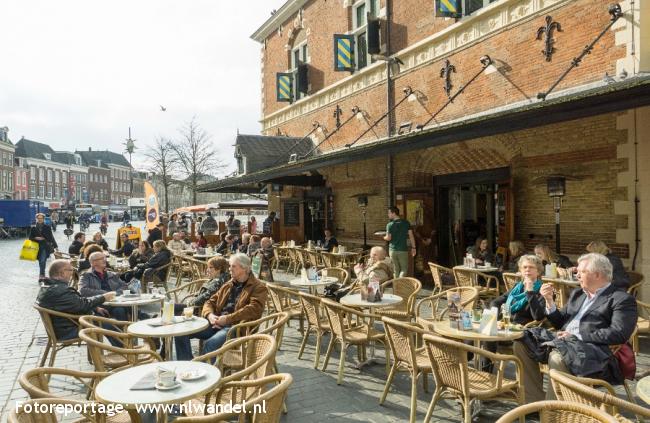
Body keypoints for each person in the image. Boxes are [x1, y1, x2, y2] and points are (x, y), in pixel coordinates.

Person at [513, 253, 637, 402]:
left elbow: (619, 333)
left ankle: (553, 412)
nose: (576, 275)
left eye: (581, 272)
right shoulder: (579, 294)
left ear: (597, 274)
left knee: (557, 357)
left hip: (594, 352)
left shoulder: (621, 299)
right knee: (522, 342)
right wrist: (549, 302)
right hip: (563, 342)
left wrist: (578, 335)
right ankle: (532, 402)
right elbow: (559, 323)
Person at [175, 253, 268, 360]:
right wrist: (210, 315)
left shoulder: (258, 287)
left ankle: (208, 374)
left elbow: (253, 309)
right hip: (216, 322)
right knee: (180, 333)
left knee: (211, 344)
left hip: (235, 328)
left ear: (245, 268)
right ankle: (187, 367)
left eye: (233, 266)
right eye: (229, 266)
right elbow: (210, 302)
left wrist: (227, 319)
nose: (229, 269)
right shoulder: (230, 284)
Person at [483, 255, 546, 370]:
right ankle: (464, 363)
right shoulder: (517, 287)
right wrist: (494, 318)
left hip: (521, 330)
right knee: (480, 330)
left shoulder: (542, 290)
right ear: (521, 271)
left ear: (538, 271)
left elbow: (539, 316)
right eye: (524, 267)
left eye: (531, 267)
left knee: (488, 335)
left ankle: (486, 372)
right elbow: (496, 301)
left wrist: (530, 292)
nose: (527, 270)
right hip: (505, 324)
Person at [36, 259, 115, 341]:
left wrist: (96, 308)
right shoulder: (61, 290)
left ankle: (104, 352)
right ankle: (124, 351)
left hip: (64, 326)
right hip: (69, 330)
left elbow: (76, 302)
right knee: (108, 325)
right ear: (62, 272)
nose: (72, 273)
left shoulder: (47, 286)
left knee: (102, 319)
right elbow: (82, 306)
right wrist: (103, 297)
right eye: (71, 270)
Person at [79, 252, 131, 325]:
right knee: (121, 310)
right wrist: (105, 294)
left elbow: (125, 286)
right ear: (93, 263)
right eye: (101, 259)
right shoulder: (86, 276)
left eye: (104, 258)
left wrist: (115, 293)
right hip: (100, 303)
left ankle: (132, 329)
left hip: (116, 302)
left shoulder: (111, 274)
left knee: (129, 308)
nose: (104, 260)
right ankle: (122, 334)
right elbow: (82, 291)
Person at [383, 206, 416, 277]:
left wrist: (383, 237)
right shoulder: (406, 223)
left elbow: (388, 238)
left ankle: (396, 286)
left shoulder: (389, 225)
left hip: (392, 250)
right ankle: (400, 284)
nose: (388, 215)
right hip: (403, 250)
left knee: (395, 270)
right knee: (404, 269)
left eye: (389, 213)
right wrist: (413, 247)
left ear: (394, 213)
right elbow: (411, 236)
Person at [29, 213, 58, 281]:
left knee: (42, 261)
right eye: (38, 218)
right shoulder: (33, 228)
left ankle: (41, 275)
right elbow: (30, 238)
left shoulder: (47, 227)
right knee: (41, 261)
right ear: (36, 219)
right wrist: (36, 238)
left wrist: (55, 246)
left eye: (41, 218)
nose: (40, 220)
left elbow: (51, 238)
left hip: (44, 247)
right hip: (36, 247)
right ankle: (42, 274)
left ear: (43, 219)